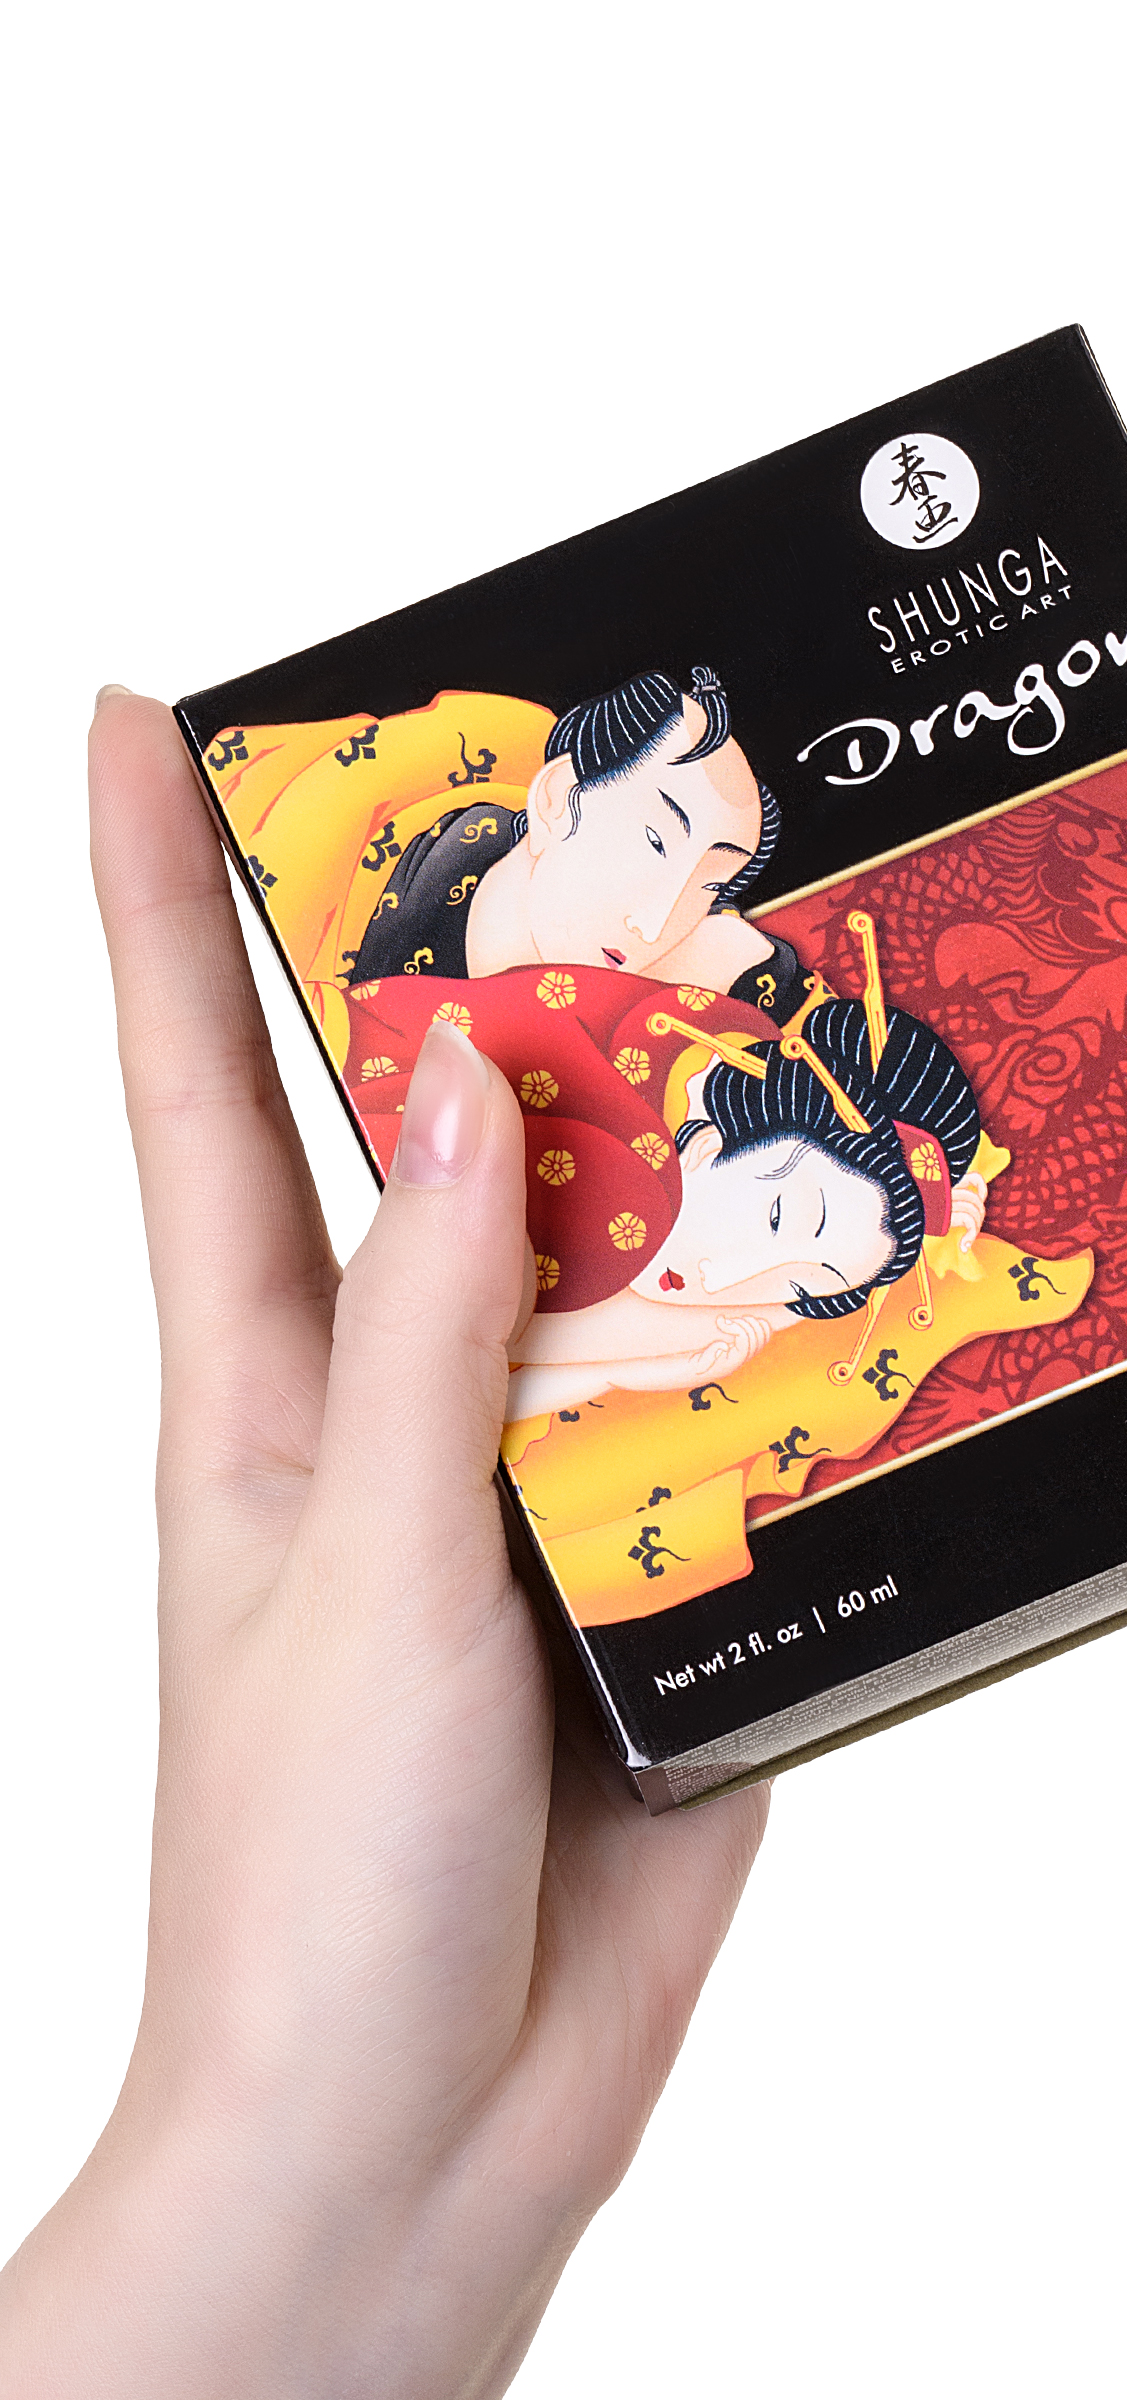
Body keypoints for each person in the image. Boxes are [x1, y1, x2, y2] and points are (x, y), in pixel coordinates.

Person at [0, 689, 769, 2394]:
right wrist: (318, 2173)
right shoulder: (456, 1004)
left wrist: (357, 2195)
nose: (669, 905)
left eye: (710, 875)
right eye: (656, 838)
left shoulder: (674, 1052)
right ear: (556, 797)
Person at [339, 961, 992, 1416]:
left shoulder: (697, 1040)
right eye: (775, 1217)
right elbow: (463, 1393)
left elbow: (478, 1409)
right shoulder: (630, 1188)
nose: (723, 1280)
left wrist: (634, 1371)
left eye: (798, 1289)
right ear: (708, 1142)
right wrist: (644, 1359)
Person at [344, 663, 813, 1021]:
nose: (652, 928)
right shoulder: (424, 886)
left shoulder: (721, 964)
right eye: (655, 842)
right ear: (558, 799)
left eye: (711, 886)